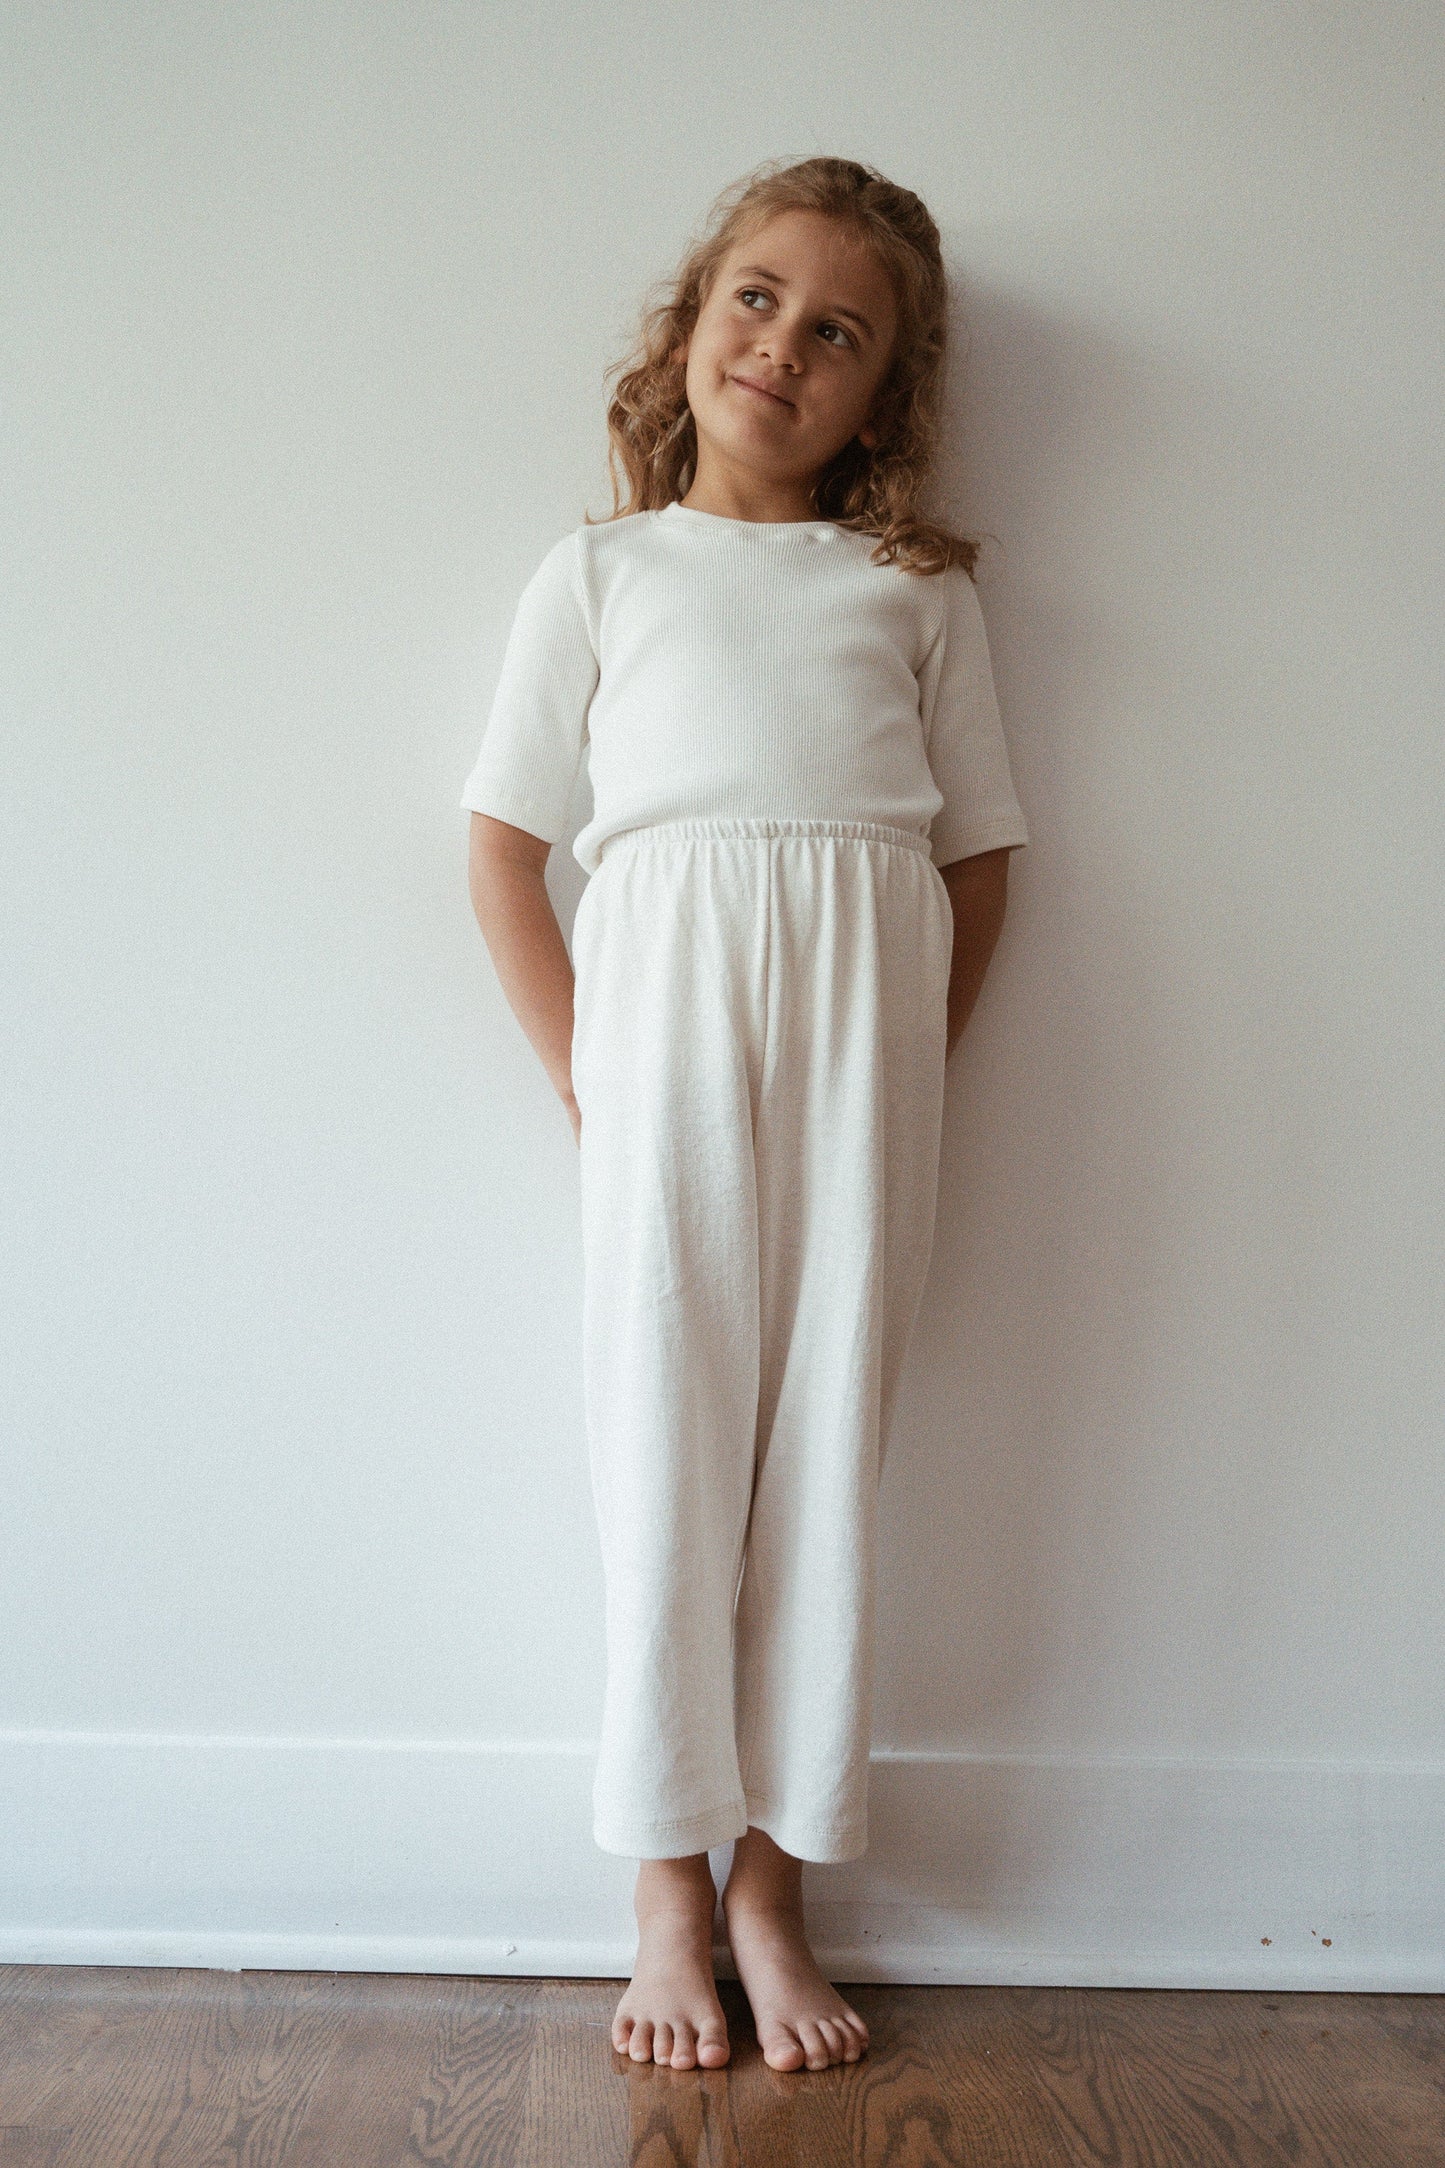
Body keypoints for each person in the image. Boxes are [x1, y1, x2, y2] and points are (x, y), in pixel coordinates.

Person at [461, 154, 1029, 2075]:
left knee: (820, 1473)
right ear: (691, 325)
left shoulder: (909, 591)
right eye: (756, 301)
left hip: (863, 1071)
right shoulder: (600, 574)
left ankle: (776, 1890)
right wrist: (580, 1068)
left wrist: (904, 1064)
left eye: (837, 331)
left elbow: (978, 863)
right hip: (662, 1056)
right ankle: (661, 1886)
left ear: (885, 393)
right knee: (667, 1450)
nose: (784, 345)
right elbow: (502, 846)